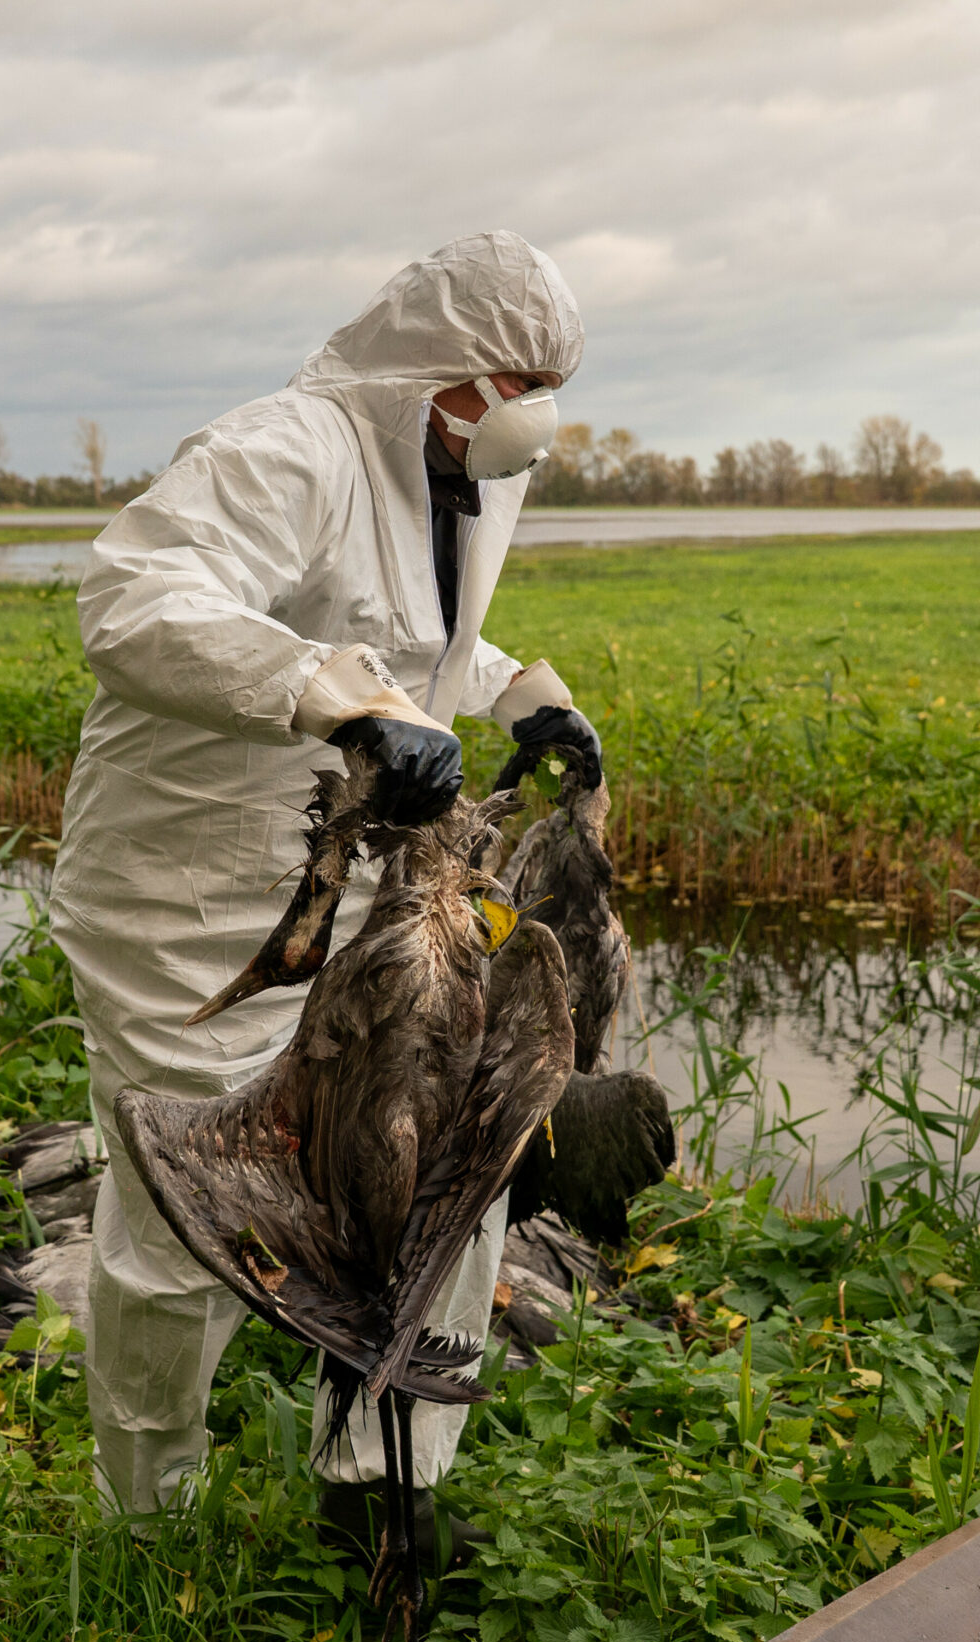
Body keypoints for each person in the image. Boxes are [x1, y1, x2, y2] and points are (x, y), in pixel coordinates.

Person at [49, 231, 603, 1519]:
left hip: (361, 895)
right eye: (515, 382)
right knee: (192, 1210)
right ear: (434, 366)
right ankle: (149, 1509)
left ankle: (380, 1486)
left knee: (445, 1174)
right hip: (184, 897)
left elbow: (408, 633)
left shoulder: (465, 473)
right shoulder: (285, 451)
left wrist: (517, 693)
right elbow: (137, 600)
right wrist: (327, 700)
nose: (533, 413)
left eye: (548, 387)